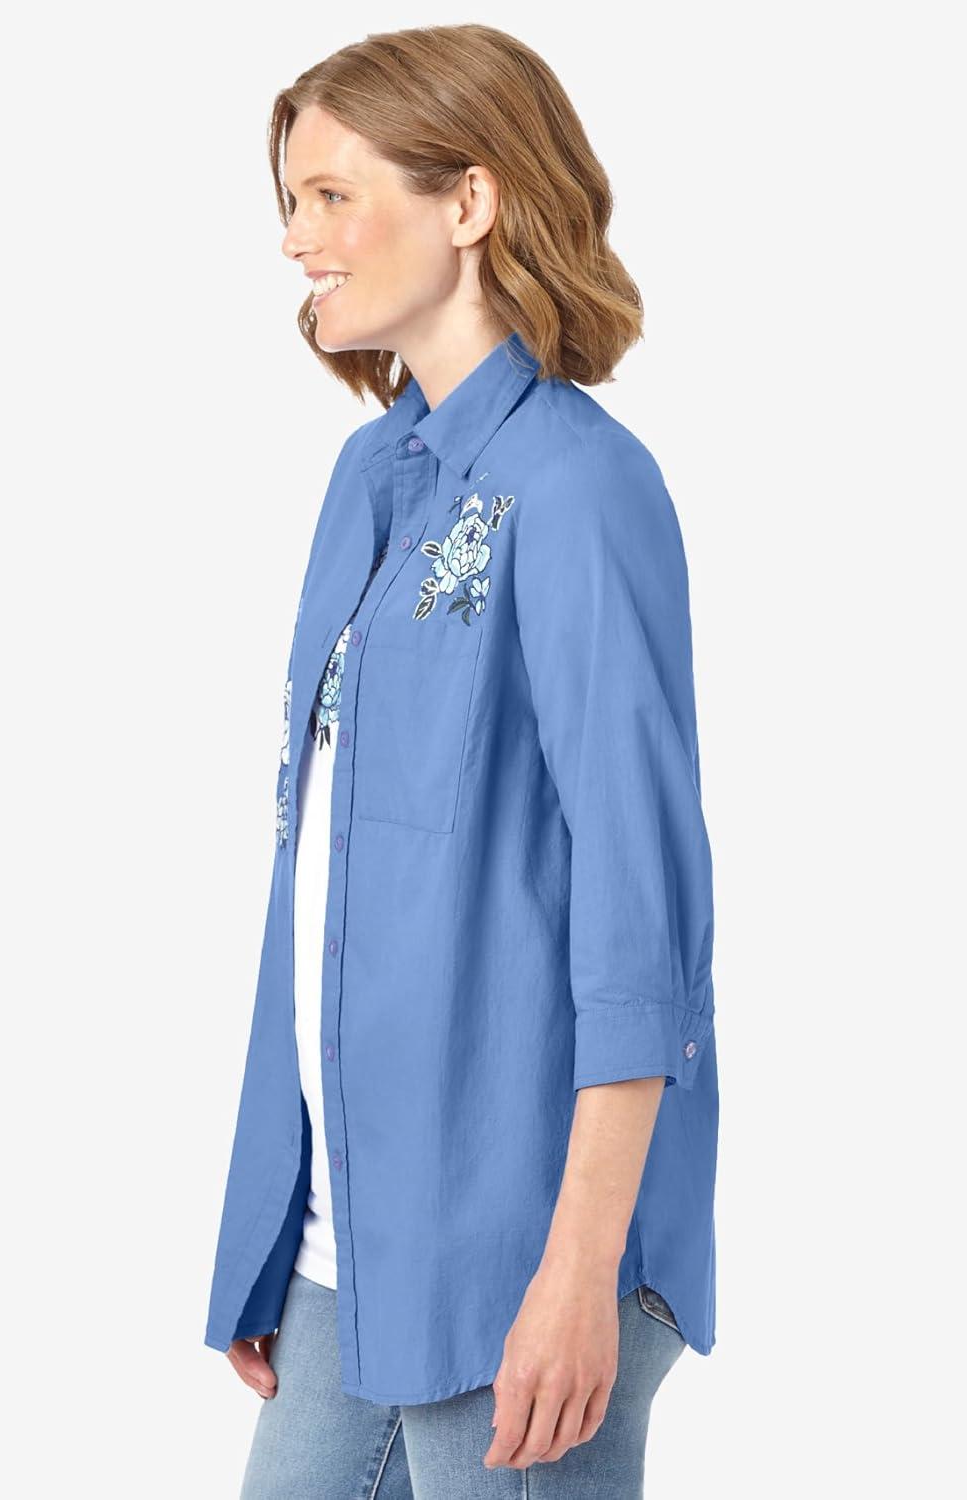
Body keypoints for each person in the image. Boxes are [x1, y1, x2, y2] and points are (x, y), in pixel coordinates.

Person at [204, 23, 719, 1499]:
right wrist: (271, 1218)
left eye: (331, 196)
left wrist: (581, 1268)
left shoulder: (582, 486)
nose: (295, 238)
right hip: (349, 1244)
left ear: (470, 202)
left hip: (526, 1246)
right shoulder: (370, 477)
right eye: (289, 200)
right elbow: (326, 875)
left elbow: (642, 916)